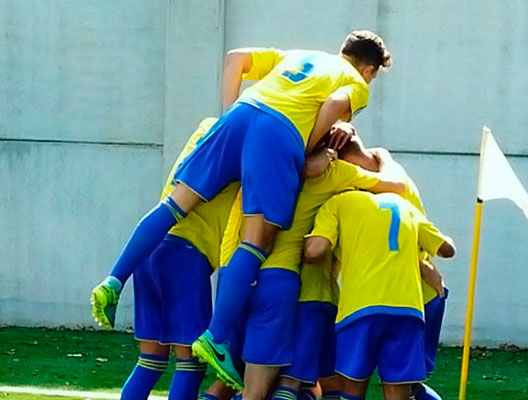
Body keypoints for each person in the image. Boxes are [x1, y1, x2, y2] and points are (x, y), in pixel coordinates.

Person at [92, 30, 391, 390]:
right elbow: (332, 107)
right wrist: (305, 147)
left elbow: (236, 58)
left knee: (174, 205)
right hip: (278, 134)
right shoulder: (356, 82)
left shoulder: (297, 55)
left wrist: (227, 113)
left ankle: (113, 280)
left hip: (242, 112)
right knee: (257, 239)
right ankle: (216, 336)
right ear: (370, 68)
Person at [212, 133, 405, 399]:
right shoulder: (336, 173)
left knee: (228, 381)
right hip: (279, 281)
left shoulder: (263, 161)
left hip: (234, 276)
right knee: (266, 388)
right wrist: (383, 157)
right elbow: (396, 186)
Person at [119, 118, 240, 400]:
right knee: (190, 362)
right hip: (185, 255)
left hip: (150, 249)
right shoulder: (243, 149)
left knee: (151, 361)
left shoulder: (208, 128)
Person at [303, 191, 455, 400]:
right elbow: (447, 250)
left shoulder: (337, 202)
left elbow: (315, 251)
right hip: (407, 310)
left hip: (360, 308)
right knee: (399, 391)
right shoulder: (404, 204)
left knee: (352, 389)